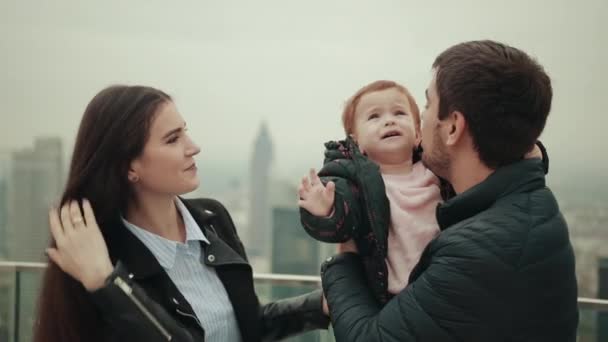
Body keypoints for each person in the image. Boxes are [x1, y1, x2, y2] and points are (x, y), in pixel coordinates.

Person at [320, 40, 579, 342]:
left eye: (428, 104)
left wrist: (346, 255)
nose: (422, 118)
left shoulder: (477, 252)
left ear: (453, 127)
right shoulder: (524, 203)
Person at [33, 85, 329, 342]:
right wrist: (107, 283)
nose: (194, 147)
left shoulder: (212, 218)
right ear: (129, 166)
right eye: (173, 139)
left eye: (185, 132)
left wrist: (321, 306)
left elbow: (242, 324)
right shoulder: (98, 258)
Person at [298, 80, 544, 303]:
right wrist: (326, 211)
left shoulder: (437, 172)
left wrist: (527, 155)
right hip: (391, 299)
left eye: (399, 113)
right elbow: (342, 226)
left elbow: (484, 168)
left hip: (447, 285)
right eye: (374, 116)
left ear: (418, 134)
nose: (389, 120)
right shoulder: (352, 181)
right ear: (356, 142)